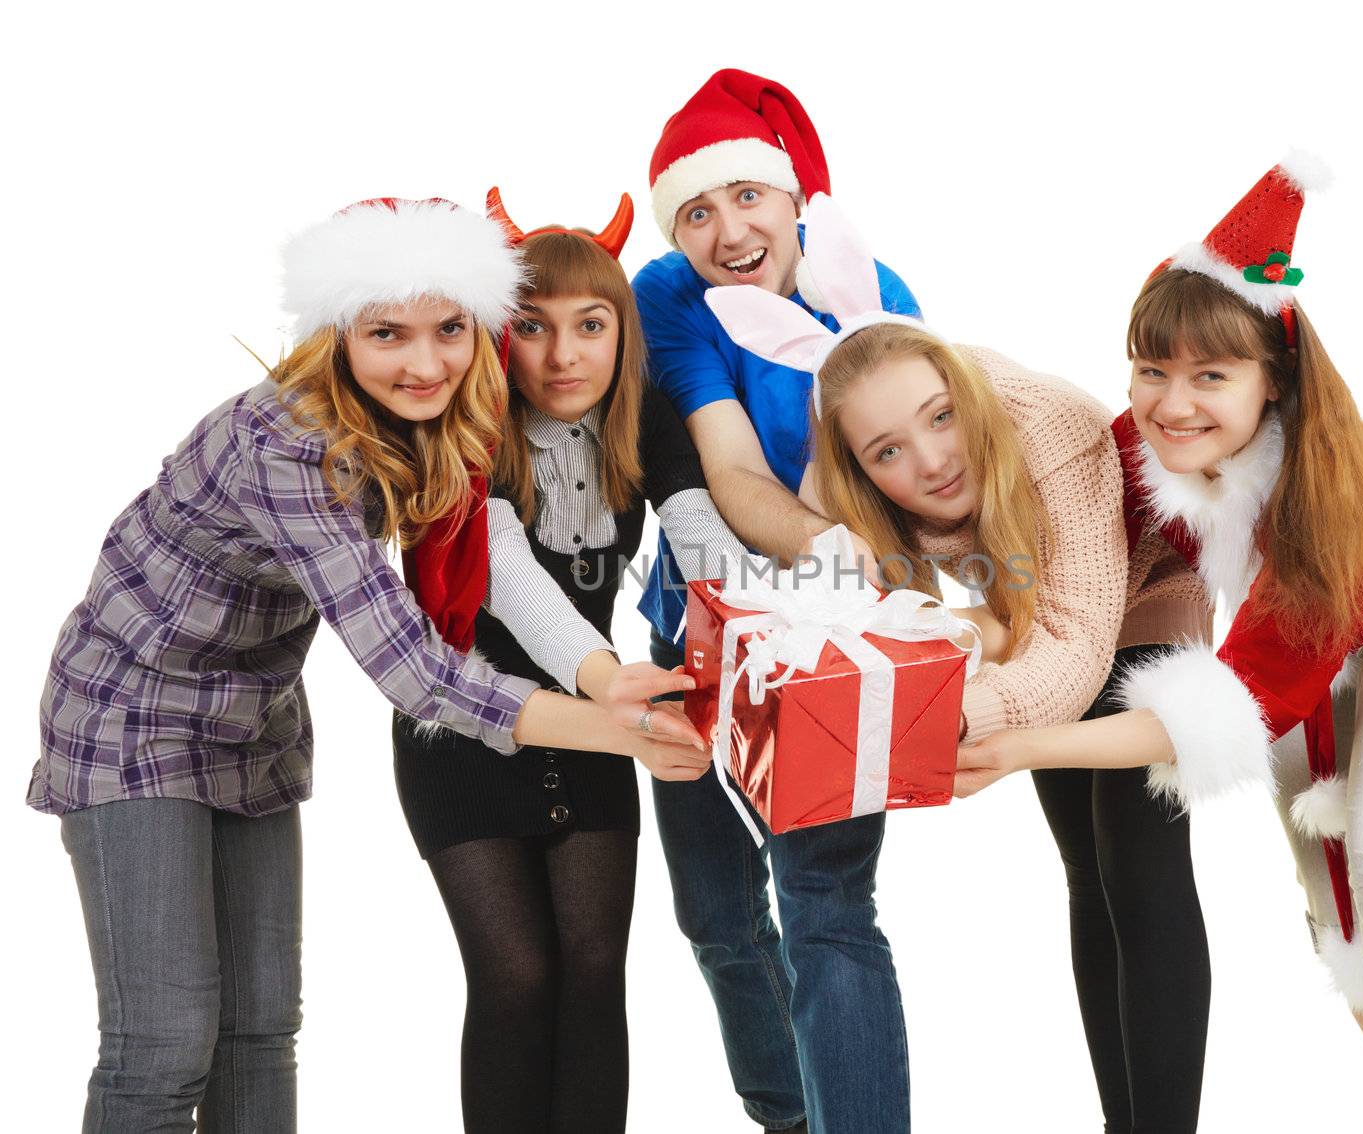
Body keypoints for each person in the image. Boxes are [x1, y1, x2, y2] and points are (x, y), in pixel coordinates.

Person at [29, 197, 698, 1132]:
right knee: (164, 1043)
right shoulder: (288, 444)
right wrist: (617, 729)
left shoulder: (436, 417)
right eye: (388, 332)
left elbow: (494, 553)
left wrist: (601, 677)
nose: (425, 363)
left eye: (449, 330)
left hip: (251, 719)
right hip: (129, 718)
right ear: (338, 330)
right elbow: (416, 674)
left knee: (262, 1028)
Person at [955, 159, 1363, 1131]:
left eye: (1210, 374)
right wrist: (967, 634)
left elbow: (1211, 715)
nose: (1171, 403)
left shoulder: (1322, 510)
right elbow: (1069, 581)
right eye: (1150, 369)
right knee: (1330, 897)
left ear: (1274, 382)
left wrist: (1020, 744)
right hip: (1285, 635)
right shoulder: (1139, 445)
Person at [709, 191, 1215, 1132]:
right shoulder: (849, 490)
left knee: (1141, 865)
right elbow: (891, 620)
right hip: (1036, 613)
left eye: (940, 418)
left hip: (1141, 589)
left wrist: (937, 717)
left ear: (960, 387)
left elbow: (1073, 655)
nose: (932, 462)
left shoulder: (1049, 427)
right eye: (890, 452)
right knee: (1087, 873)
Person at [392, 189, 742, 1134]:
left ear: (621, 331)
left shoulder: (649, 420)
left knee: (594, 973)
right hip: (464, 727)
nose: (563, 355)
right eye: (533, 328)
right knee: (515, 975)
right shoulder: (467, 431)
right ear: (501, 338)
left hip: (600, 730)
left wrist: (746, 627)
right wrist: (602, 679)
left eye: (591, 326)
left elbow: (702, 535)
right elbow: (507, 572)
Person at [634, 69, 921, 1134]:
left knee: (825, 906)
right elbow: (728, 471)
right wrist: (834, 547)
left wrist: (872, 578)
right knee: (714, 914)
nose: (725, 229)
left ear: (795, 199)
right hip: (696, 630)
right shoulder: (666, 296)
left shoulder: (873, 289)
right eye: (697, 211)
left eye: (746, 197)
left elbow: (926, 462)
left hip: (832, 643)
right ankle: (785, 1119)